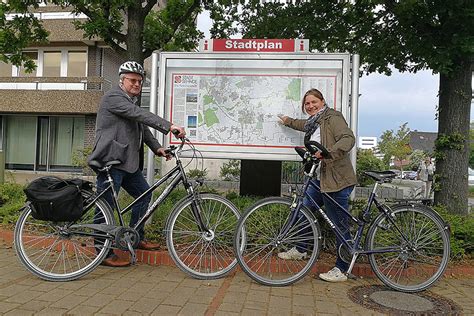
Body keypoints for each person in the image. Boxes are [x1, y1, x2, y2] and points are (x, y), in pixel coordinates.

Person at [88, 61, 185, 267]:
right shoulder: (113, 97)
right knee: (106, 206)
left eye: (140, 81)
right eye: (132, 80)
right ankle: (101, 252)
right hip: (110, 161)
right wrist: (170, 126)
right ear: (121, 80)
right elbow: (140, 115)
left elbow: (141, 126)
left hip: (128, 163)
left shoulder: (130, 102)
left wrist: (157, 148)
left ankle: (135, 237)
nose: (137, 84)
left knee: (144, 194)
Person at [277, 88, 357, 282]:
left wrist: (328, 152)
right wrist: (287, 121)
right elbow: (303, 124)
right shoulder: (315, 122)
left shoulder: (332, 118)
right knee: (303, 210)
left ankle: (342, 268)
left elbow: (348, 139)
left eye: (314, 102)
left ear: (322, 102)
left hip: (336, 181)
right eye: (307, 104)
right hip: (319, 179)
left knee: (339, 225)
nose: (310, 106)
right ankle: (301, 249)